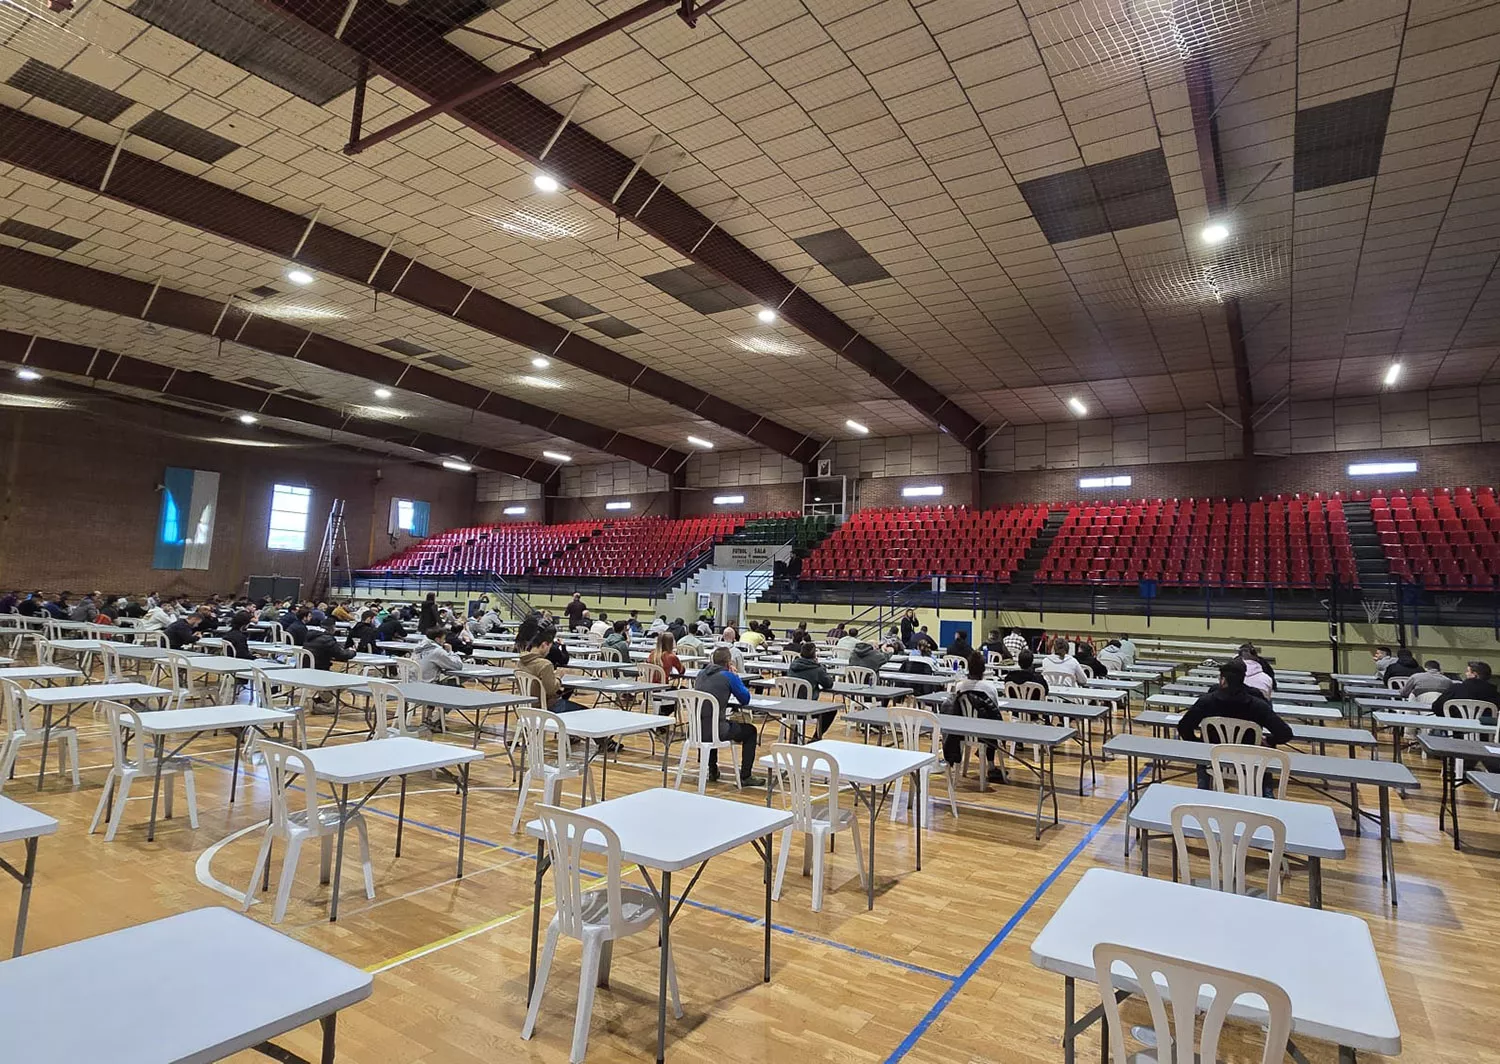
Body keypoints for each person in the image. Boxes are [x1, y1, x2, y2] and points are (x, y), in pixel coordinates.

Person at [1176, 658, 1293, 793]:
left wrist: (1199, 743)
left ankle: (1203, 790)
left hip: (1214, 757)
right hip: (1249, 761)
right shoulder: (1257, 704)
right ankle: (1267, 795)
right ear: (1243, 678)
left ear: (1223, 680)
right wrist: (1269, 740)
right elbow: (1285, 734)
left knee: (1204, 758)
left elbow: (1184, 727)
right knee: (1264, 752)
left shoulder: (1207, 701)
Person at [691, 647, 763, 786]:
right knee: (750, 731)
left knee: (710, 721)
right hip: (718, 730)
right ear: (729, 663)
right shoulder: (729, 676)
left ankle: (712, 770)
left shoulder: (700, 674)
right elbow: (745, 699)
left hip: (697, 729)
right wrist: (736, 677)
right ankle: (745, 776)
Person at [946, 654, 1006, 781]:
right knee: (992, 725)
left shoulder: (959, 687)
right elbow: (995, 711)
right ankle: (991, 766)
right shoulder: (990, 688)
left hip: (964, 732)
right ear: (984, 669)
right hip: (986, 734)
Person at [517, 631, 587, 714]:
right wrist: (558, 676)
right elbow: (551, 690)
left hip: (526, 706)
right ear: (544, 645)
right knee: (587, 712)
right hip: (546, 706)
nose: (548, 652)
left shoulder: (520, 662)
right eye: (549, 648)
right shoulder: (545, 664)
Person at [788, 642, 837, 739]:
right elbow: (828, 684)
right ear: (815, 654)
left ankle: (794, 736)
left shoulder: (792, 666)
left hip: (788, 708)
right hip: (807, 709)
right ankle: (816, 737)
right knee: (832, 710)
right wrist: (821, 667)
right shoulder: (817, 669)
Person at [1433, 661, 1499, 719]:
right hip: (1484, 731)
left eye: (1468, 671)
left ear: (1474, 674)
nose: (1465, 673)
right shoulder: (1494, 693)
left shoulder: (1456, 689)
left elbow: (1437, 707)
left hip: (1457, 729)